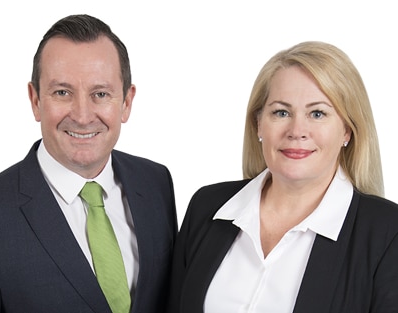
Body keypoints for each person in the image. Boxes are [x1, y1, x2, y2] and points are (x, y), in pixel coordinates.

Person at [0, 14, 177, 313]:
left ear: (126, 102)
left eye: (100, 94)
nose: (82, 115)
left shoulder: (156, 184)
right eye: (62, 92)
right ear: (35, 100)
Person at [166, 41, 398, 313]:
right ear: (258, 123)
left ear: (347, 130)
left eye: (317, 113)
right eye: (281, 112)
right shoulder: (208, 206)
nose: (297, 130)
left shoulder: (387, 232)